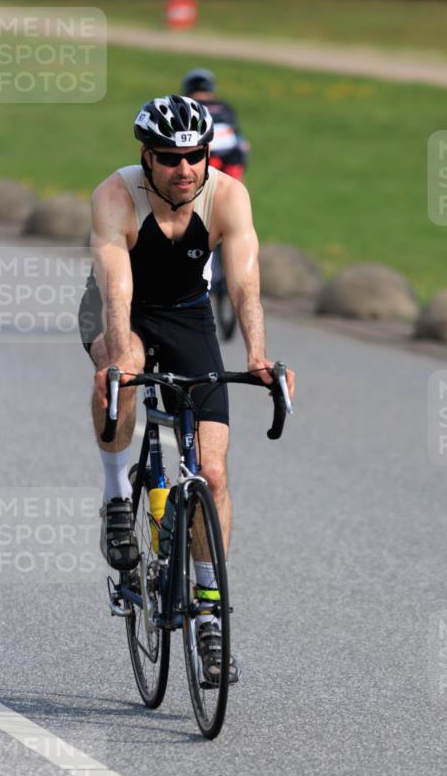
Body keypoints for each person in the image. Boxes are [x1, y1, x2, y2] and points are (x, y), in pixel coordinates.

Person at [78, 94, 294, 683]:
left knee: (214, 473)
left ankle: (210, 616)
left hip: (188, 312)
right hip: (119, 308)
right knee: (122, 368)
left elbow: (245, 278)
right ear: (147, 158)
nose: (185, 169)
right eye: (171, 158)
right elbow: (116, 289)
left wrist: (256, 356)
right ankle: (118, 496)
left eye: (195, 156)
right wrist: (118, 356)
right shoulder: (115, 196)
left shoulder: (228, 197)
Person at [180, 68, 249, 181]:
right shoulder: (224, 106)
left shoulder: (185, 106)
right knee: (234, 189)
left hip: (205, 155)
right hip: (232, 154)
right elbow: (240, 140)